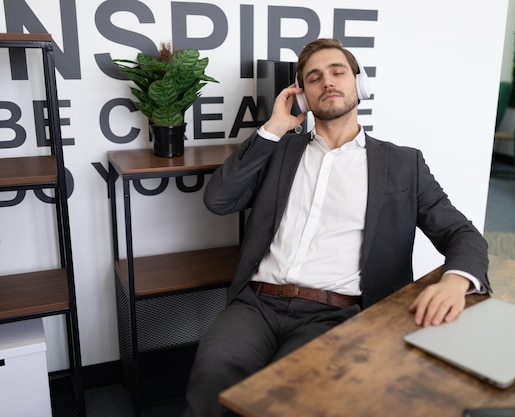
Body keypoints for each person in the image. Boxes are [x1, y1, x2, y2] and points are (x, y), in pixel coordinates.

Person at [183, 38, 491, 417]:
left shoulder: (401, 163)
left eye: (337, 72)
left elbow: (460, 232)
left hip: (333, 313)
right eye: (313, 78)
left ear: (358, 84)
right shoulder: (278, 150)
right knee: (213, 373)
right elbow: (219, 200)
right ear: (303, 95)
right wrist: (273, 127)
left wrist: (454, 282)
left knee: (294, 393)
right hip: (257, 304)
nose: (326, 82)